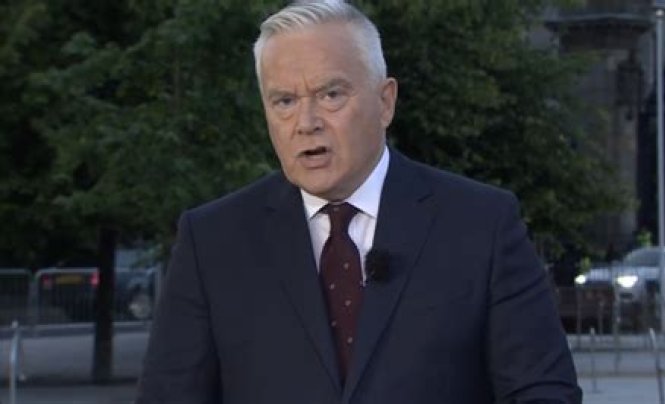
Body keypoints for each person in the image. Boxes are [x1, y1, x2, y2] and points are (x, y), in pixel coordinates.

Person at [136, 1, 582, 403]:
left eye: (330, 95)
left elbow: (544, 390)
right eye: (284, 101)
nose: (306, 122)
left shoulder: (481, 225)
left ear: (385, 102)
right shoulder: (212, 241)